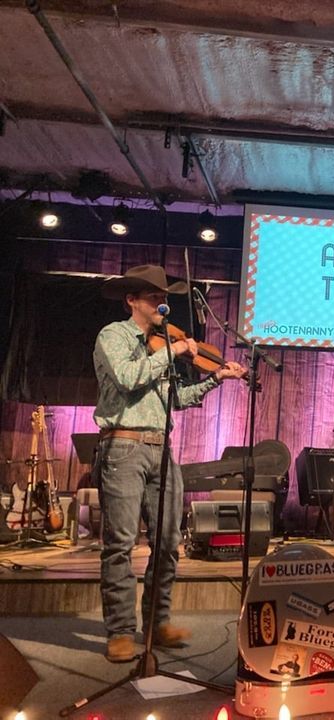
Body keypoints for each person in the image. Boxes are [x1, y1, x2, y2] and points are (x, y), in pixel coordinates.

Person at [94, 265, 246, 663]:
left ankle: (157, 623)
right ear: (132, 300)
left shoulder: (162, 345)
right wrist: (174, 352)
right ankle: (121, 631)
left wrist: (216, 378)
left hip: (162, 448)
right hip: (123, 446)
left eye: (164, 297)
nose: (162, 303)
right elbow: (127, 378)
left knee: (168, 542)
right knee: (120, 544)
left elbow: (176, 400)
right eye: (153, 297)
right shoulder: (114, 336)